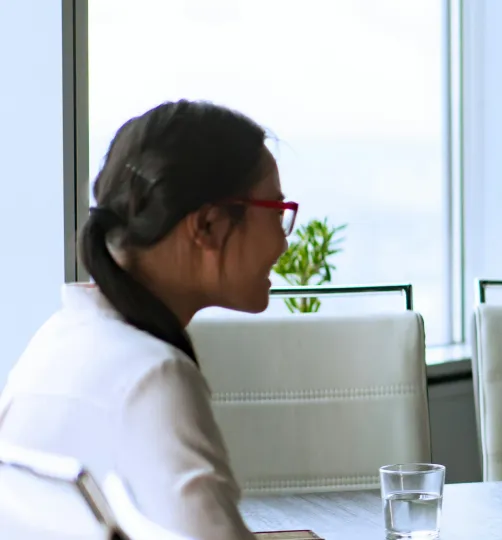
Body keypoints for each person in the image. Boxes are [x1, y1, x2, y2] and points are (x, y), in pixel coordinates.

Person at [0, 100, 293, 539]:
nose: (284, 243)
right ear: (208, 226)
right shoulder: (152, 378)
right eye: (276, 210)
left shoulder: (58, 339)